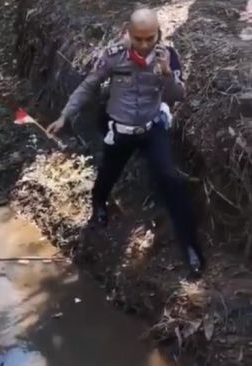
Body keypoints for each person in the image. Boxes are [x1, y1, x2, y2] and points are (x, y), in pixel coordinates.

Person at [47, 8, 206, 277]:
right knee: (108, 174)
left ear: (158, 34)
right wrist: (65, 115)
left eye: (150, 38)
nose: (144, 45)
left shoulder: (168, 56)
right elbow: (89, 85)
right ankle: (99, 204)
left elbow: (179, 95)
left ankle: (191, 248)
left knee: (171, 181)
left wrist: (167, 73)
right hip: (120, 129)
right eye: (138, 38)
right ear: (128, 32)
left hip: (150, 128)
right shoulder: (112, 56)